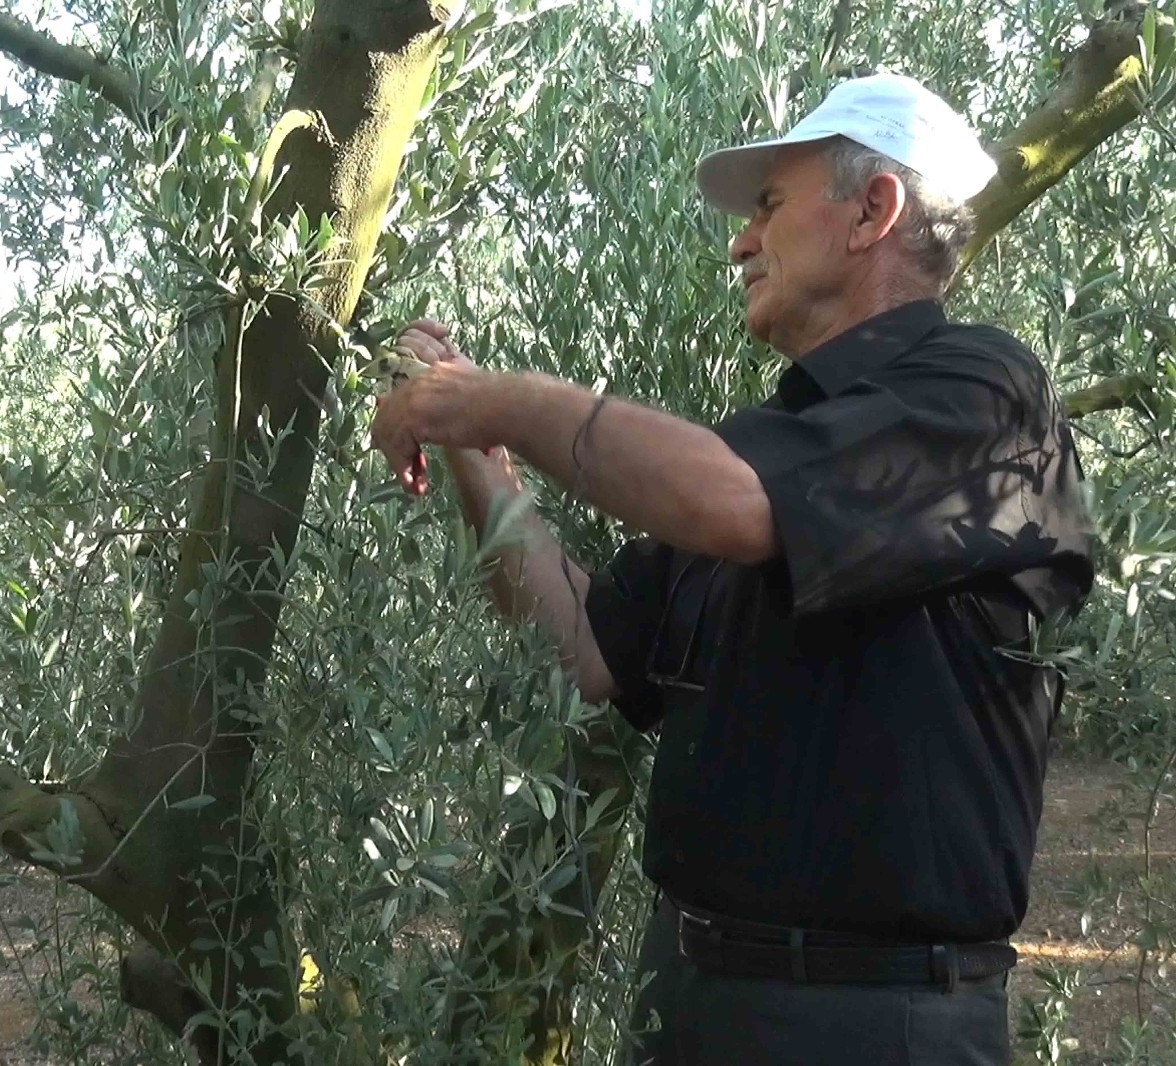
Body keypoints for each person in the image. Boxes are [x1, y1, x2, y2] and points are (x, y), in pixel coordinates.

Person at [369, 72, 1095, 1065]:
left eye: (768, 207)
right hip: (689, 994)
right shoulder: (766, 444)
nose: (741, 242)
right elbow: (585, 646)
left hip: (874, 1023)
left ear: (873, 212)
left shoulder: (983, 395)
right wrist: (470, 449)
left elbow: (732, 504)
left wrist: (494, 399)